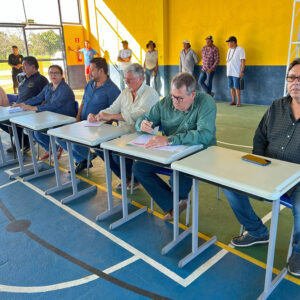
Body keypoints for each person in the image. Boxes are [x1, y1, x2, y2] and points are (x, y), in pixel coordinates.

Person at [222, 58, 300, 277]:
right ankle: (257, 231)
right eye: (292, 77)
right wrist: (258, 162)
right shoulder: (276, 106)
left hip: (298, 179)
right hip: (269, 167)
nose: (295, 82)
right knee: (230, 184)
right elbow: (260, 136)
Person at [133, 72, 216, 220]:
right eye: (173, 96)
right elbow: (143, 119)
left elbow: (204, 135)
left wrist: (170, 140)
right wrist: (142, 124)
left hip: (199, 151)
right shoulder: (165, 103)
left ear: (193, 95)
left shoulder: (206, 102)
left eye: (180, 98)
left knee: (181, 169)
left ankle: (176, 200)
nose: (175, 102)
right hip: (170, 151)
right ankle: (176, 202)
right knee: (139, 168)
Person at [89, 63, 159, 189]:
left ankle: (132, 178)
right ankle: (128, 177)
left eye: (129, 80)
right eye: (125, 79)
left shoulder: (150, 93)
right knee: (99, 146)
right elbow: (112, 108)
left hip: (143, 134)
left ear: (140, 79)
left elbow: (138, 115)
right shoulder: (125, 92)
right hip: (124, 132)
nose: (126, 82)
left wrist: (112, 116)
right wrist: (98, 115)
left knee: (117, 151)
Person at [59, 57, 120, 174]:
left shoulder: (112, 90)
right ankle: (84, 158)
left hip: (97, 127)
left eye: (92, 70)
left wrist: (100, 123)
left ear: (101, 71)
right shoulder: (90, 84)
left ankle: (85, 157)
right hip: (82, 122)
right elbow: (83, 102)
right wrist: (77, 119)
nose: (89, 72)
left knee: (76, 142)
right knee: (60, 136)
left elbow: (114, 112)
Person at [14, 65, 77, 160]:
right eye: (51, 73)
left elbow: (53, 105)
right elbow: (38, 98)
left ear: (61, 75)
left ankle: (54, 149)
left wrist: (34, 108)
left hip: (64, 118)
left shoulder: (65, 89)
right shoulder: (48, 87)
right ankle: (53, 149)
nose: (53, 75)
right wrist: (23, 104)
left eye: (56, 73)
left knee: (38, 133)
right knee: (29, 130)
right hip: (51, 116)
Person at [0, 56, 48, 153]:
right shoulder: (23, 79)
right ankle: (24, 140)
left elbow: (45, 98)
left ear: (33, 66)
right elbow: (21, 96)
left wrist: (38, 109)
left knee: (12, 121)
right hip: (18, 108)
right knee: (2, 121)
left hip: (30, 110)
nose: (22, 68)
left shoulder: (41, 80)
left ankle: (23, 141)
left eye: (25, 66)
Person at [226, 36, 245, 107]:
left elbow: (243, 61)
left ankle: (238, 102)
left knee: (237, 87)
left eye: (229, 42)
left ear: (233, 42)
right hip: (229, 72)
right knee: (231, 87)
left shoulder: (240, 49)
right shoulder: (229, 50)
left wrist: (241, 71)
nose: (228, 44)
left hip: (236, 72)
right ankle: (233, 100)